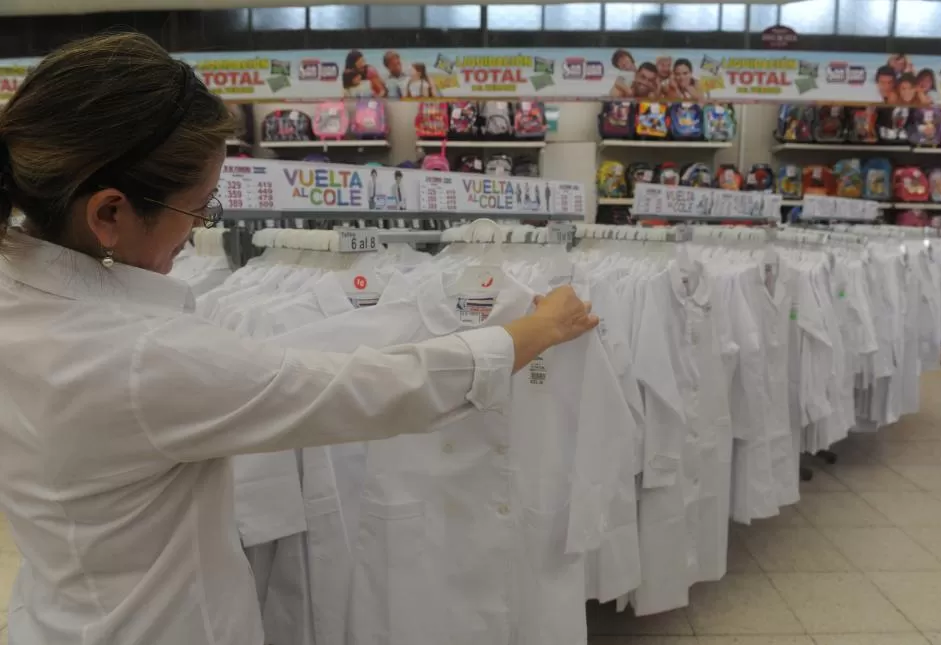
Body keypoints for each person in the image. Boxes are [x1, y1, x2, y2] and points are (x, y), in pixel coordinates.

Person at [0, 33, 597, 645]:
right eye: (200, 211)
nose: (196, 234)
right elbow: (359, 390)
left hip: (57, 614)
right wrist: (530, 333)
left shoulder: (22, 300)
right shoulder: (137, 357)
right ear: (109, 215)